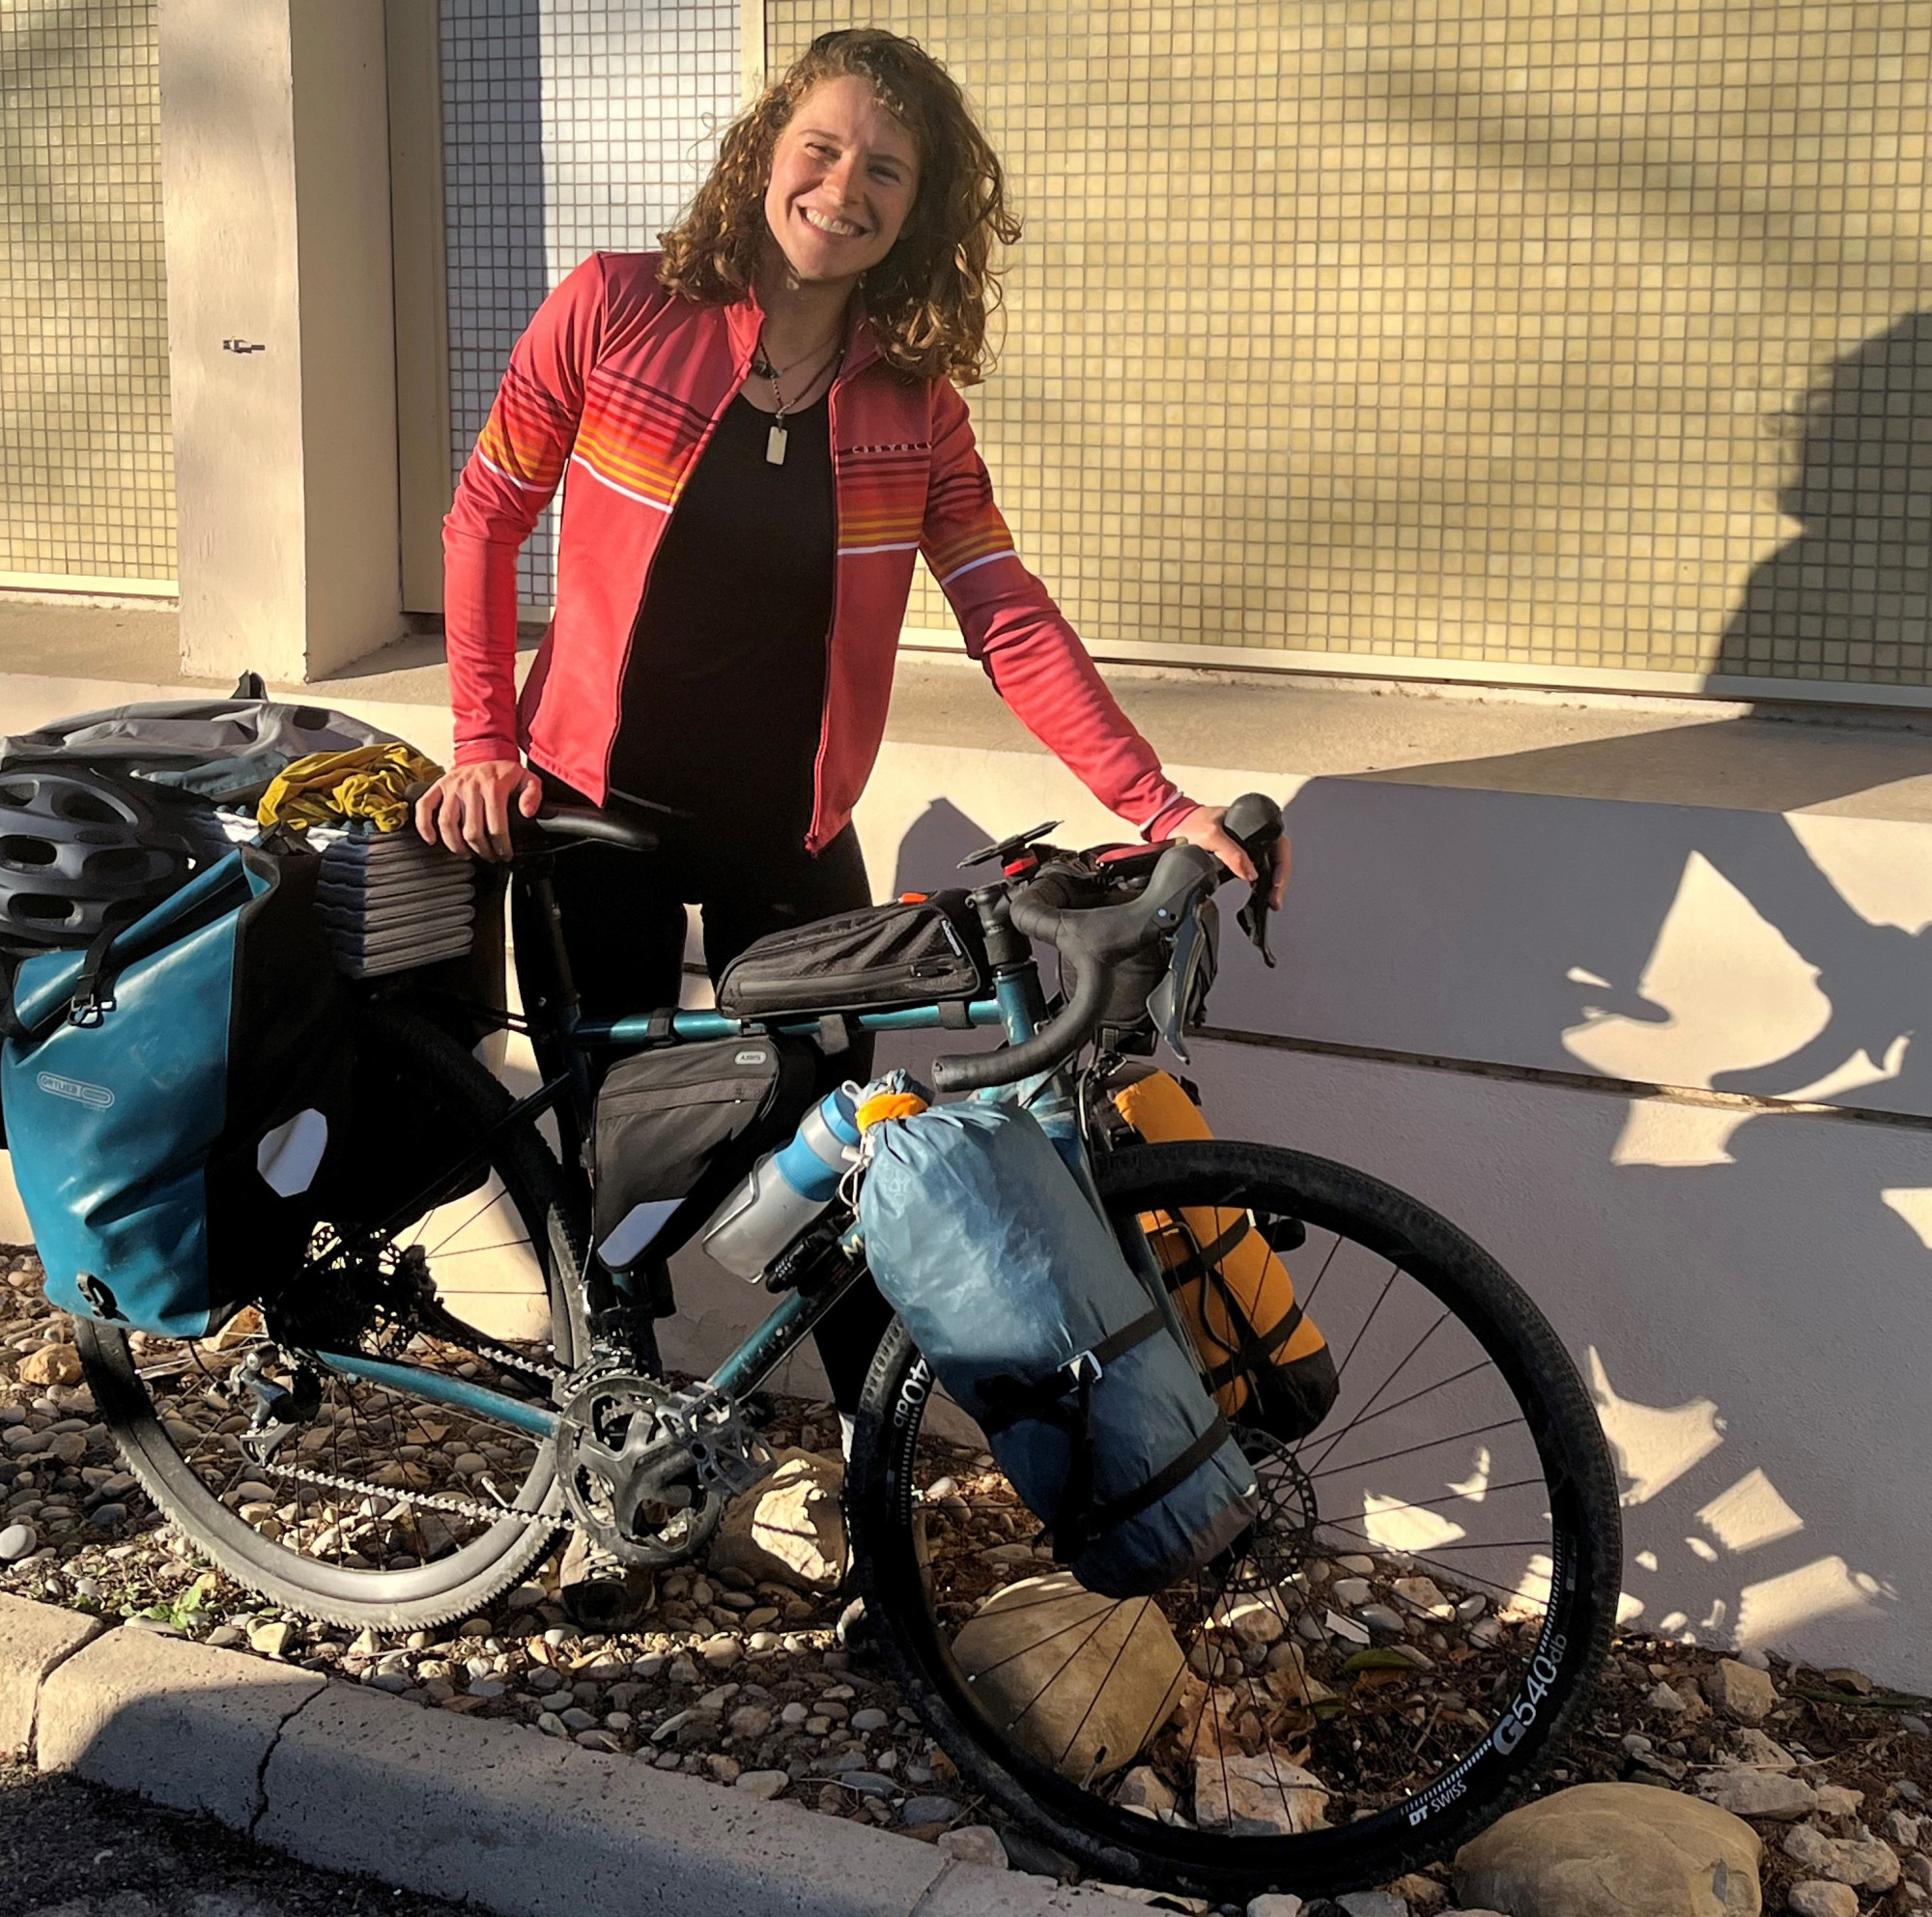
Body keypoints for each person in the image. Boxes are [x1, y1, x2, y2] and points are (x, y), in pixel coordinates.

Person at [416, 27, 1288, 1417]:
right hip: (590, 812)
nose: (845, 185)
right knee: (609, 1164)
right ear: (766, 152)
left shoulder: (912, 403)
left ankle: (870, 1489)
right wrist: (481, 740)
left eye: (886, 169)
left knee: (846, 1156)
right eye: (820, 147)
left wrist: (1158, 805)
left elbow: (1006, 612)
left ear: (917, 212)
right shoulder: (612, 309)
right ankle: (612, 1454)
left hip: (792, 832)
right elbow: (485, 517)